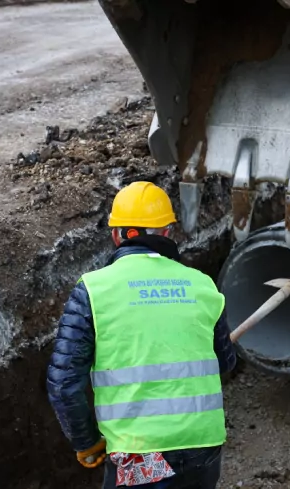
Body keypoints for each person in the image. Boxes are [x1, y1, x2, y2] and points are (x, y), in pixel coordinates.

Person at [46, 181, 236, 488]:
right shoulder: (202, 285)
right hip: (202, 445)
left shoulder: (94, 290)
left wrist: (86, 442)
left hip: (139, 450)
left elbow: (64, 384)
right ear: (168, 232)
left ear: (119, 234)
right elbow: (225, 362)